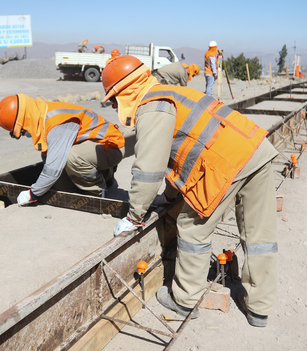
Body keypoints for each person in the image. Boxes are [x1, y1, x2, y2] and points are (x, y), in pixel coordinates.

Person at [101, 55, 279, 327]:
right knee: (259, 234)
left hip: (228, 161)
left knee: (192, 225)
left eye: (113, 99)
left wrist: (135, 216)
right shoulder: (171, 91)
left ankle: (184, 301)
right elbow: (183, 154)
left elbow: (150, 167)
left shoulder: (151, 105)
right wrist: (169, 197)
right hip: (255, 147)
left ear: (125, 91)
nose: (114, 105)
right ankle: (259, 309)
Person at [0, 94, 124, 204]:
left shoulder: (56, 122)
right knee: (55, 168)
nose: (24, 134)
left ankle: (97, 193)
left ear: (24, 121)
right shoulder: (40, 115)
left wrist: (32, 194)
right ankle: (98, 179)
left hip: (110, 145)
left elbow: (53, 168)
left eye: (22, 131)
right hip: (93, 147)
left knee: (73, 157)